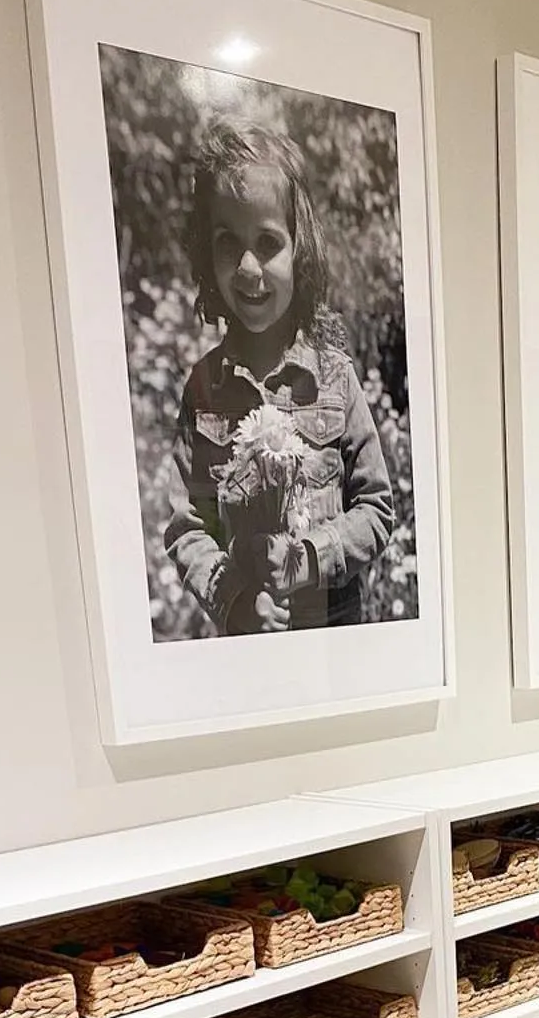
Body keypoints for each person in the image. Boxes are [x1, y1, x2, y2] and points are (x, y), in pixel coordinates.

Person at [163, 120, 395, 635]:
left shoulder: (336, 379)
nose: (248, 268)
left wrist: (311, 556)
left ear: (301, 249)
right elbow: (187, 526)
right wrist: (237, 600)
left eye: (268, 242)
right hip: (247, 645)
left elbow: (377, 509)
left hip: (335, 641)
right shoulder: (204, 390)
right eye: (228, 243)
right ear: (206, 252)